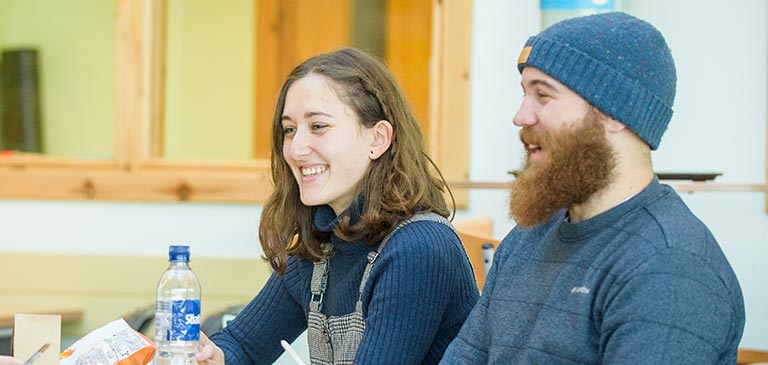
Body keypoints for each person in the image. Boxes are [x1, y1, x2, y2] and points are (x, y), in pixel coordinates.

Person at [441, 11, 745, 364]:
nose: (521, 116)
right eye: (525, 93)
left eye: (544, 95)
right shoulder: (527, 239)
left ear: (616, 113)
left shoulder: (670, 266)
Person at [196, 47, 479, 364]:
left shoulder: (420, 248)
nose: (297, 149)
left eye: (318, 126)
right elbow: (243, 347)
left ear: (378, 139)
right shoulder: (320, 246)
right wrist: (213, 356)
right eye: (289, 130)